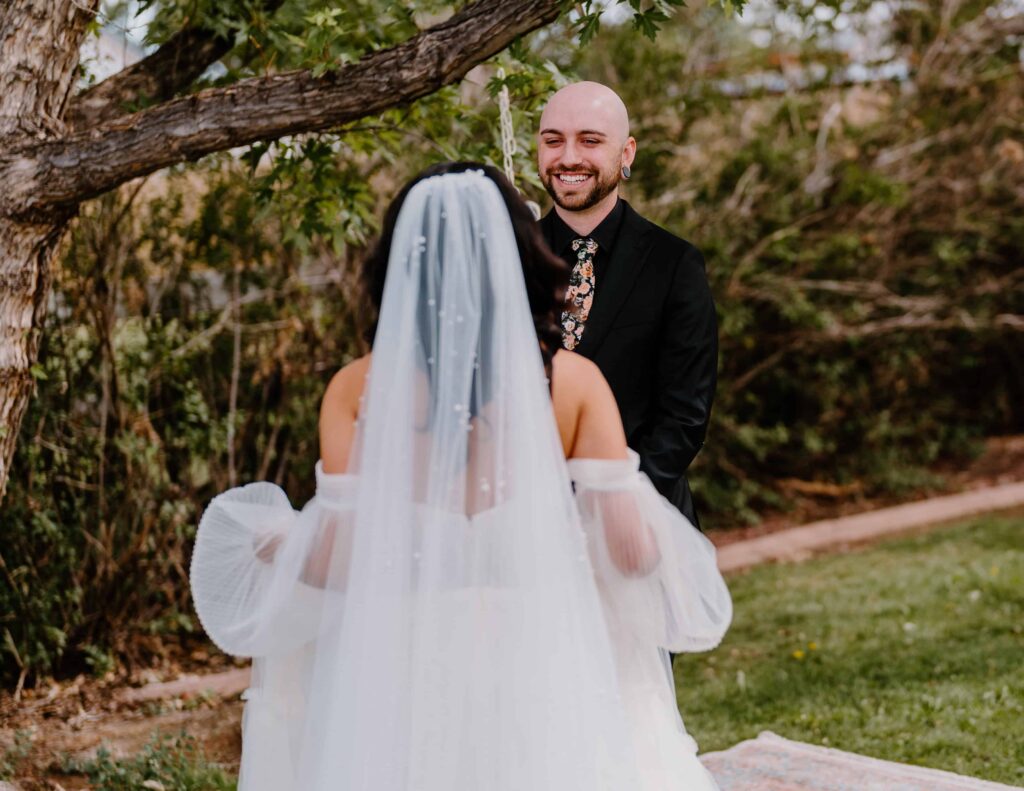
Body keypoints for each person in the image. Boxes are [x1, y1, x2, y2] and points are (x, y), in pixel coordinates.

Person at [189, 162, 731, 790]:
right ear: (522, 258)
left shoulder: (357, 390)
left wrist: (283, 543)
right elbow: (633, 556)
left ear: (398, 266)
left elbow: (337, 562)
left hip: (408, 666)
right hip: (543, 657)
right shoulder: (576, 383)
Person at [538, 82, 718, 528]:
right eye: (553, 140)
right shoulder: (505, 257)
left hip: (641, 519)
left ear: (627, 152)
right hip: (529, 523)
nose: (568, 157)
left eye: (590, 140)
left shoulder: (674, 264)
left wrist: (615, 505)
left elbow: (685, 416)